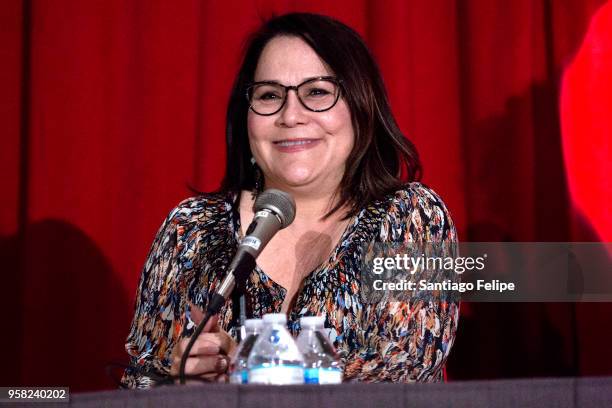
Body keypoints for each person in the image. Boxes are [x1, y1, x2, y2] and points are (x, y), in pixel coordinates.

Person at [121, 12, 459, 389]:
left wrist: (248, 371)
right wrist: (177, 381)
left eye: (317, 91)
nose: (290, 115)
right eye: (269, 95)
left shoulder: (410, 216)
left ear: (361, 106)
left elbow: (404, 371)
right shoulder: (191, 229)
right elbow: (137, 383)